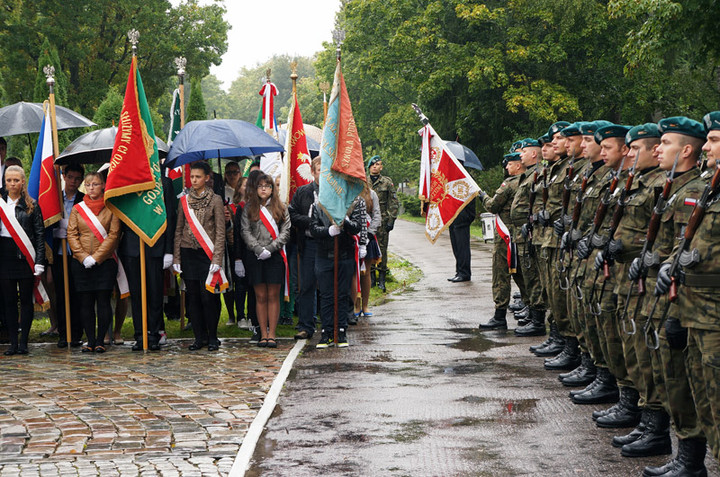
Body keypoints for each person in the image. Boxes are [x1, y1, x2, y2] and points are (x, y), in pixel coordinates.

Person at [118, 172, 176, 351]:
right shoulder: (127, 180)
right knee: (137, 294)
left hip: (156, 246)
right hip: (132, 247)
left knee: (155, 292)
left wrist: (168, 250)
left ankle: (154, 333)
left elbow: (170, 217)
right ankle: (140, 334)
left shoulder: (164, 183)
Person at [173, 161, 226, 351]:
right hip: (188, 254)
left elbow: (220, 232)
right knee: (193, 297)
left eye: (197, 177)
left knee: (208, 296)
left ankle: (212, 336)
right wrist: (177, 258)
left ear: (206, 178)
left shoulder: (216, 200)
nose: (194, 180)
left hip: (208, 254)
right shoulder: (184, 201)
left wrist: (217, 259)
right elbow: (179, 230)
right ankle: (199, 337)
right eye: (192, 177)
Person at [67, 172, 120, 353]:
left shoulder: (111, 207)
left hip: (104, 262)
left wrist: (96, 258)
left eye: (96, 184)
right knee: (85, 302)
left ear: (103, 185)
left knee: (103, 300)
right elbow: (71, 234)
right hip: (81, 263)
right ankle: (89, 340)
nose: (91, 188)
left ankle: (100, 341)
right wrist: (83, 257)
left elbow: (114, 235)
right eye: (88, 185)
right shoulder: (77, 209)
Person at [478, 152, 528, 329]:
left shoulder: (510, 184)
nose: (506, 167)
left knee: (501, 274)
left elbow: (493, 205)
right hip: (522, 235)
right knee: (522, 272)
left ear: (518, 165)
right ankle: (532, 311)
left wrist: (482, 196)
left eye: (509, 164)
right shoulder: (528, 181)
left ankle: (499, 316)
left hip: (506, 235)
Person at [310, 194, 366, 348]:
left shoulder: (351, 204)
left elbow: (357, 227)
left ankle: (341, 330)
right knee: (326, 295)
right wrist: (328, 231)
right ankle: (327, 331)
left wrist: (345, 221)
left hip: (344, 255)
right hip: (324, 255)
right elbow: (313, 228)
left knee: (342, 294)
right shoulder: (317, 205)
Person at [241, 173, 290, 348]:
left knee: (272, 295)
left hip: (274, 256)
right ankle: (263, 334)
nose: (264, 189)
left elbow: (286, 231)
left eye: (267, 186)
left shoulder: (281, 207)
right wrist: (258, 249)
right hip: (256, 256)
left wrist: (269, 249)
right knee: (260, 296)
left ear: (272, 189)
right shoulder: (249, 208)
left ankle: (272, 334)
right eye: (260, 186)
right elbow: (245, 231)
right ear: (255, 189)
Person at [0, 165, 45, 355]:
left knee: (26, 301)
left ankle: (24, 342)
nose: (12, 184)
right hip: (4, 257)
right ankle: (12, 342)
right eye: (9, 180)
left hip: (25, 257)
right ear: (5, 182)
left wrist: (40, 261)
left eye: (16, 180)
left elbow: (40, 235)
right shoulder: (1, 204)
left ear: (23, 182)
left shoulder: (32, 205)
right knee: (9, 301)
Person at [50, 164, 85, 348]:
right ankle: (63, 333)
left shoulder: (84, 199)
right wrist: (56, 231)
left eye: (77, 179)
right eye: (70, 177)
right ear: (63, 176)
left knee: (77, 294)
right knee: (62, 294)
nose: (73, 182)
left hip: (78, 254)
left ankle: (77, 333)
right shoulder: (54, 198)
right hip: (59, 253)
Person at [288, 157, 321, 340]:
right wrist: (311, 222)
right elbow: (292, 214)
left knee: (327, 286)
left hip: (328, 245)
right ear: (312, 171)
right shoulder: (302, 192)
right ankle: (306, 325)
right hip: (308, 244)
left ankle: (331, 325)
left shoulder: (334, 192)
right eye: (318, 170)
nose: (321, 173)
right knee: (306, 285)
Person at [367, 155, 398, 292]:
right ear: (369, 167)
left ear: (381, 167)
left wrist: (391, 219)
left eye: (378, 164)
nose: (375, 166)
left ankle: (382, 279)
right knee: (368, 248)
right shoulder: (363, 181)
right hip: (367, 220)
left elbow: (393, 202)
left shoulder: (386, 182)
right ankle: (371, 278)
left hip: (383, 221)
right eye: (373, 164)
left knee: (382, 249)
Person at [355, 186, 381, 318]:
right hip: (353, 236)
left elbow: (377, 215)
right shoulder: (346, 189)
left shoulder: (371, 193)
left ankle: (365, 305)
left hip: (368, 237)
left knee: (365, 272)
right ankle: (356, 305)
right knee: (353, 273)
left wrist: (369, 235)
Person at [447, 195, 475, 283]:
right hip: (454, 215)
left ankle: (464, 273)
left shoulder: (466, 181)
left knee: (462, 247)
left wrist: (466, 215)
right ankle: (459, 272)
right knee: (456, 247)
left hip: (463, 216)